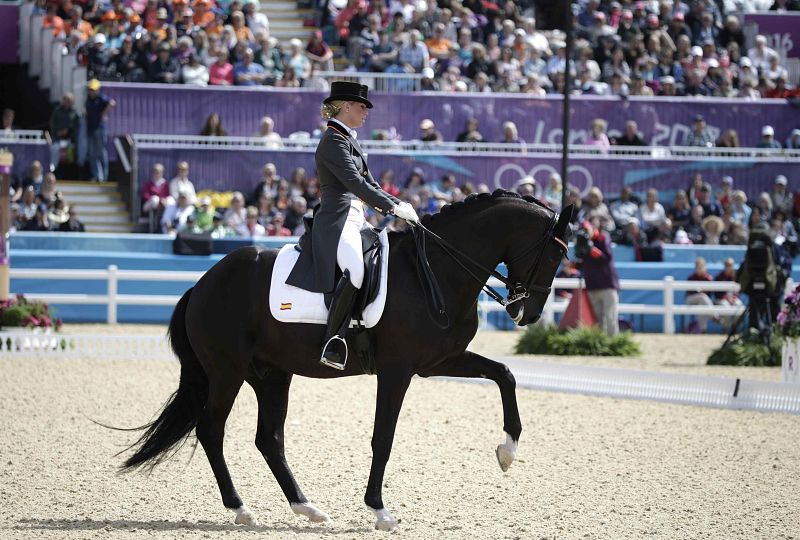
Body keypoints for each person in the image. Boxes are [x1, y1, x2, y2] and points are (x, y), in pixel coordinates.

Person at [286, 81, 419, 370]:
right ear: (346, 107)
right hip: (337, 218)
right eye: (362, 107)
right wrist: (393, 208)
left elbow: (370, 184)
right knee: (355, 270)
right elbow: (355, 183)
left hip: (358, 218)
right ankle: (332, 341)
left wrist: (399, 204)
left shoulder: (349, 140)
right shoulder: (333, 140)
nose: (366, 112)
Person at [578, 218, 620, 336]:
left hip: (607, 285)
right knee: (597, 318)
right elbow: (582, 262)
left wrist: (592, 250)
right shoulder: (581, 242)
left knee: (610, 316)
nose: (584, 232)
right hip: (592, 286)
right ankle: (600, 342)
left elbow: (606, 258)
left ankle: (613, 343)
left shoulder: (602, 238)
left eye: (586, 230)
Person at [85, 79, 115, 182]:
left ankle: (104, 177)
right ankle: (96, 175)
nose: (91, 91)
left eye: (93, 89)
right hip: (91, 129)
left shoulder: (101, 98)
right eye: (90, 89)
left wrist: (104, 114)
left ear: (98, 90)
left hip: (99, 129)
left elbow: (112, 103)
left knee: (101, 152)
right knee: (92, 154)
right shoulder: (89, 99)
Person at [49, 93, 79, 173]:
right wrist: (58, 132)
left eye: (69, 101)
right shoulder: (57, 110)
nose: (67, 102)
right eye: (66, 100)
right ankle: (53, 170)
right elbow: (52, 124)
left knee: (72, 153)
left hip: (70, 140)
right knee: (54, 149)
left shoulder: (75, 113)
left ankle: (71, 173)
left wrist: (68, 132)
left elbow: (76, 127)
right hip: (57, 139)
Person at [685, 257, 715, 333]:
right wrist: (699, 292)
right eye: (698, 267)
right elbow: (689, 292)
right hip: (691, 300)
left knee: (703, 305)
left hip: (704, 302)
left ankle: (702, 330)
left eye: (702, 267)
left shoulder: (708, 278)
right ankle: (714, 316)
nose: (700, 269)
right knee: (702, 297)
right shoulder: (691, 277)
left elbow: (710, 294)